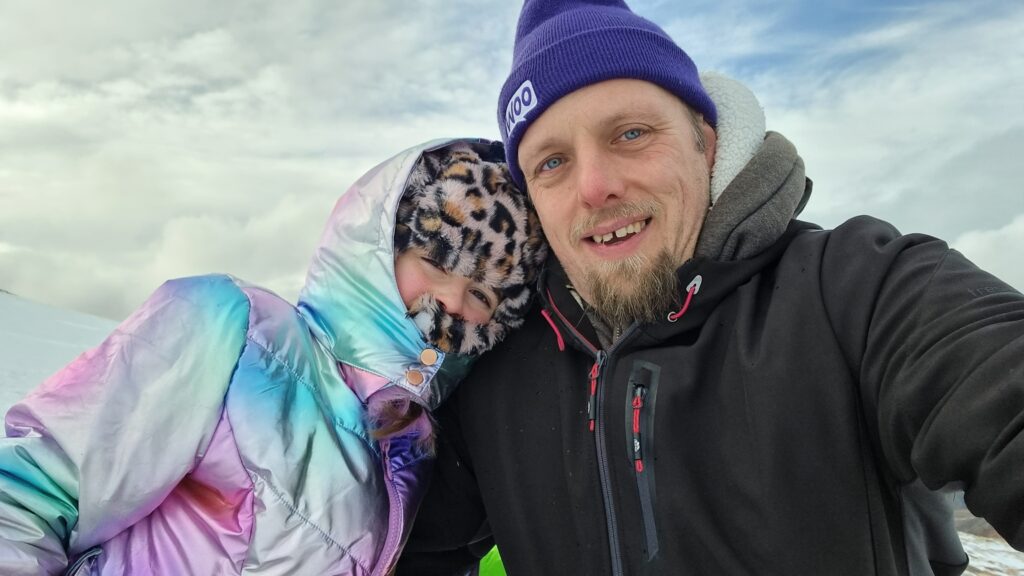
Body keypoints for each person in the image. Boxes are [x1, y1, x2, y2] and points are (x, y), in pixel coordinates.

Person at [396, 1, 1024, 575]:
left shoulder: (858, 289)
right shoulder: (491, 375)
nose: (594, 186)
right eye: (552, 162)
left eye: (631, 134)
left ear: (707, 141)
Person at [0, 138, 547, 575]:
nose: (452, 300)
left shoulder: (416, 450)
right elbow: (26, 498)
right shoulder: (230, 328)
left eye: (482, 295)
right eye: (435, 260)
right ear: (380, 244)